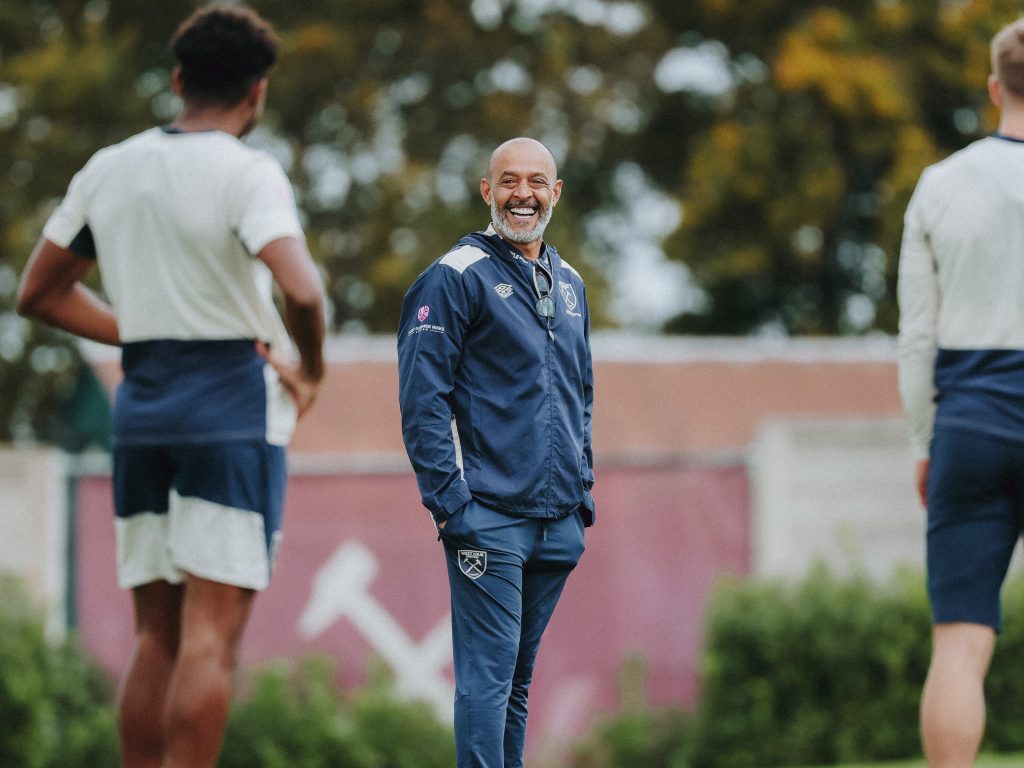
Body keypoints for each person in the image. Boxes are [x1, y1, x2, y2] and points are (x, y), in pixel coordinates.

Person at [16, 6, 325, 768]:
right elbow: (305, 291)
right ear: (257, 92)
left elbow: (39, 293)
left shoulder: (109, 166)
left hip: (144, 411)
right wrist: (310, 371)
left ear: (179, 79)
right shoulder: (248, 173)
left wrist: (147, 327)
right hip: (229, 408)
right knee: (212, 635)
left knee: (157, 634)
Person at [397, 137, 595, 768]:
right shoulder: (455, 276)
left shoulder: (570, 284)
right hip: (488, 519)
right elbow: (421, 399)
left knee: (516, 685)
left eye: (537, 182)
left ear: (555, 193)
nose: (523, 195)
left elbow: (579, 393)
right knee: (487, 682)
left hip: (557, 522)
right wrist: (452, 505)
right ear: (487, 191)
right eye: (509, 181)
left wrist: (582, 496)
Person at [898, 17, 1024, 768]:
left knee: (959, 645)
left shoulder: (940, 184)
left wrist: (923, 441)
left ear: (992, 86)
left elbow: (917, 336)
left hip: (970, 427)